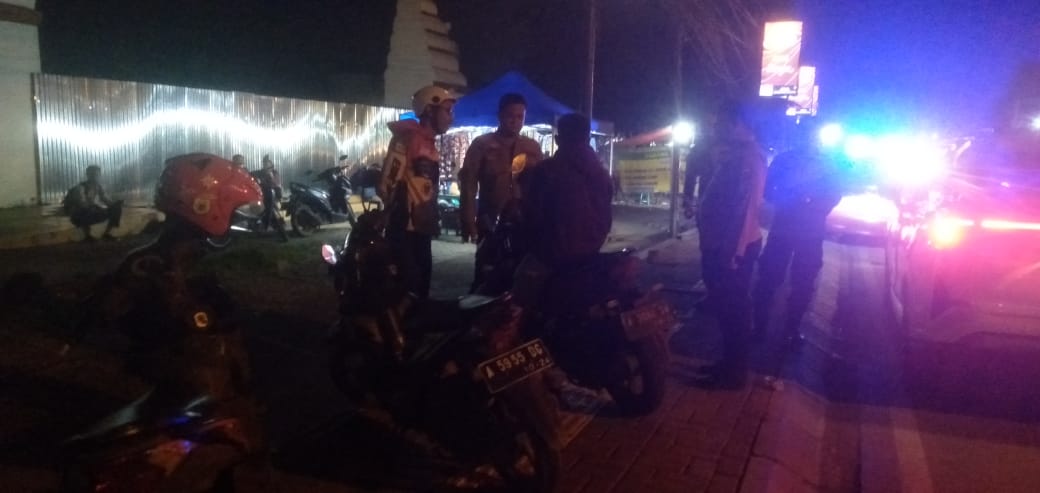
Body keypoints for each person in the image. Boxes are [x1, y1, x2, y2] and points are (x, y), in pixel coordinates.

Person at [692, 100, 767, 389]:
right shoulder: (736, 156)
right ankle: (729, 364)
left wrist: (733, 253)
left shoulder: (747, 161)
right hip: (723, 245)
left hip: (732, 248)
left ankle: (734, 374)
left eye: (720, 123)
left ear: (737, 125)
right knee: (726, 310)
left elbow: (743, 212)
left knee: (734, 311)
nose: (715, 128)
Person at [752, 124, 843, 344]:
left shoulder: (822, 164)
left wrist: (809, 203)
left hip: (802, 232)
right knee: (775, 280)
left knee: (795, 283)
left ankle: (784, 329)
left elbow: (833, 195)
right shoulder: (794, 161)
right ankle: (769, 328)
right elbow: (768, 190)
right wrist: (799, 200)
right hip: (792, 230)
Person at [517, 113, 612, 301]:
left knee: (517, 293)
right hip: (591, 254)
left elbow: (533, 215)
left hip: (552, 259)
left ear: (558, 139)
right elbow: (606, 217)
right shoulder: (602, 175)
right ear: (588, 139)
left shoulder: (546, 171)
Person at [377, 85, 459, 298]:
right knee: (407, 292)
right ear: (429, 110)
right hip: (404, 230)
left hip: (421, 230)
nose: (451, 117)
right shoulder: (407, 139)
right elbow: (387, 184)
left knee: (421, 289)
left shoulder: (429, 143)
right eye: (447, 111)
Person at [459, 93, 544, 291]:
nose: (515, 121)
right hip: (490, 222)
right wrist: (468, 219)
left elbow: (541, 186)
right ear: (500, 115)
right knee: (486, 276)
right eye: (510, 116)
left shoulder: (531, 147)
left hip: (523, 223)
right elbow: (468, 183)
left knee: (519, 277)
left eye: (520, 117)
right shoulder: (482, 145)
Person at [63, 164, 124, 242]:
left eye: (97, 175)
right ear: (88, 175)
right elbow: (81, 205)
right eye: (93, 174)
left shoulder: (98, 186)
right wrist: (95, 207)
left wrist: (116, 204)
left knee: (116, 208)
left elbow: (106, 200)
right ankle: (87, 236)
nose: (95, 177)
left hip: (91, 211)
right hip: (78, 216)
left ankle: (106, 234)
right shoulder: (81, 187)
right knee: (86, 210)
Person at [252, 155, 288, 241]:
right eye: (265, 165)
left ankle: (267, 226)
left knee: (271, 211)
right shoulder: (260, 172)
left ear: (271, 166)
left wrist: (271, 178)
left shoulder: (274, 173)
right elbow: (252, 174)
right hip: (263, 195)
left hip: (274, 195)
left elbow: (277, 185)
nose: (266, 168)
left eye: (268, 166)